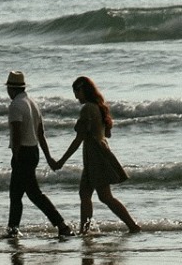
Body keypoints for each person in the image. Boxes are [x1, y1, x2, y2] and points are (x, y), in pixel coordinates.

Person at [49, 75, 140, 235]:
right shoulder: (98, 107)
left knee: (105, 196)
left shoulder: (87, 109)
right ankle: (84, 231)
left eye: (77, 91)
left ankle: (132, 226)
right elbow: (106, 134)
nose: (76, 96)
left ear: (84, 90)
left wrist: (61, 161)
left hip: (96, 158)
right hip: (95, 156)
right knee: (85, 194)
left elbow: (79, 139)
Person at [4, 71, 71, 240]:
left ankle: (62, 225)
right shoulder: (32, 103)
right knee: (17, 194)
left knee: (33, 194)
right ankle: (12, 229)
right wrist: (48, 157)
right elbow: (41, 133)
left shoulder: (15, 105)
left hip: (23, 153)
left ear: (11, 88)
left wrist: (16, 155)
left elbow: (17, 133)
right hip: (33, 151)